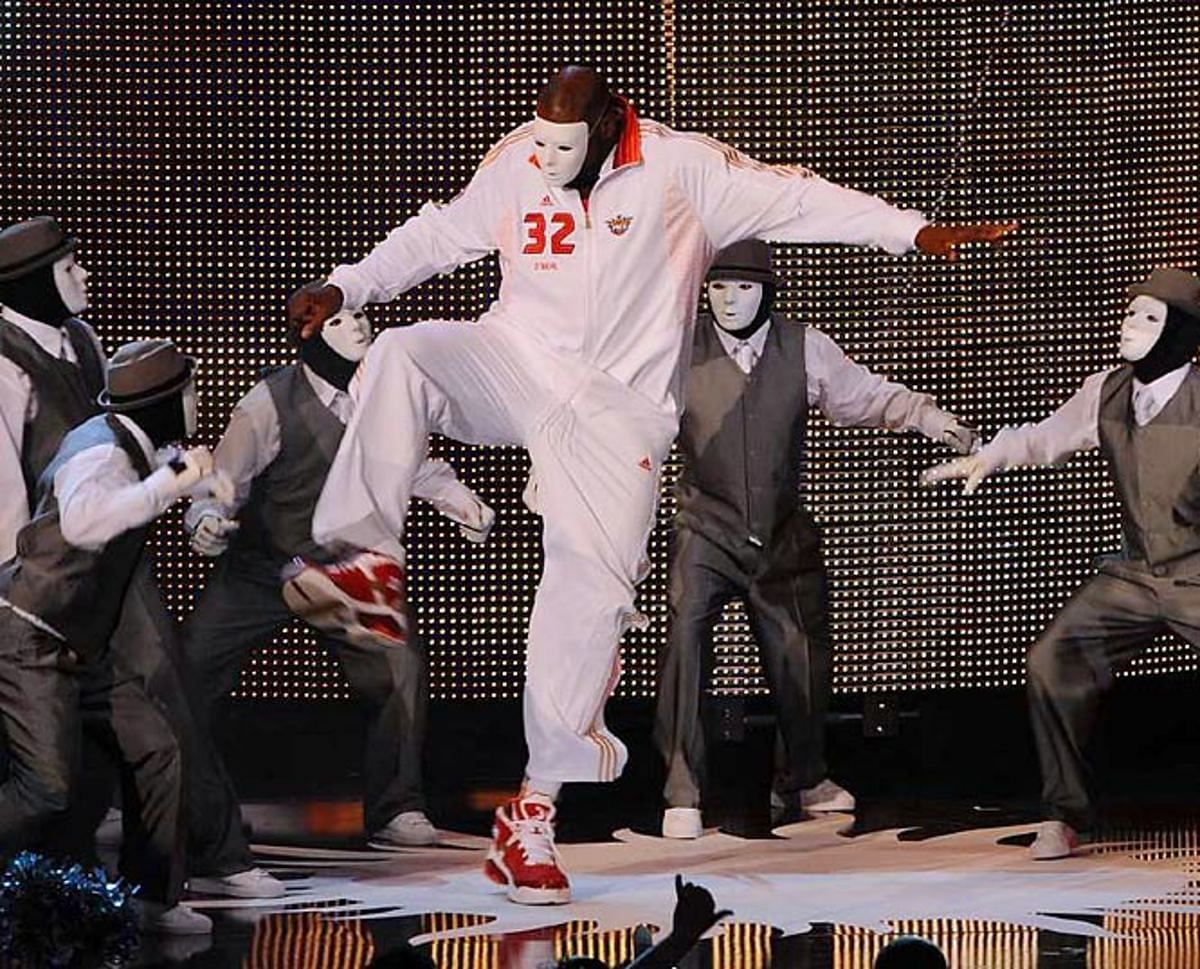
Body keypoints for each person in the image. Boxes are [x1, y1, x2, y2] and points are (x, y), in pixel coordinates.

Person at [282, 65, 1016, 904]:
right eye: (538, 138)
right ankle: (365, 561)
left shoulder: (681, 168)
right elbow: (440, 234)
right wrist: (350, 283)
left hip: (617, 415)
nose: (545, 155)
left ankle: (532, 814)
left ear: (604, 130)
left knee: (586, 597)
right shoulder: (518, 159)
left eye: (563, 142)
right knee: (402, 354)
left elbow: (799, 198)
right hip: (518, 361)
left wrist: (913, 230)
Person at [655, 240, 978, 839]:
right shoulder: (678, 349)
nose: (729, 300)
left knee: (799, 655)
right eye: (719, 288)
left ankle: (803, 776)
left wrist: (930, 417)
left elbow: (868, 395)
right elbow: (632, 419)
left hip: (781, 534)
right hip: (704, 528)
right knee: (685, 636)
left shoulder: (804, 346)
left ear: (768, 293)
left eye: (744, 288)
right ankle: (683, 787)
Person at [0, 218, 281, 901]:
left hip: (111, 551)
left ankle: (190, 862)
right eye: (70, 267)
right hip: (51, 566)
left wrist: (189, 495)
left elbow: (144, 437)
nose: (85, 276)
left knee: (163, 698)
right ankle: (149, 864)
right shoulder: (6, 359)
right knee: (90, 733)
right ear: (35, 280)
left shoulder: (81, 339)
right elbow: (5, 483)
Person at [182, 308, 493, 853]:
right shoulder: (269, 402)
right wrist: (206, 519)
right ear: (311, 334)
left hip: (345, 572)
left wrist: (459, 500)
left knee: (400, 670)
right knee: (188, 671)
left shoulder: (386, 394)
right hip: (264, 568)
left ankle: (396, 808)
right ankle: (161, 799)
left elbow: (416, 464)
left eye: (361, 316)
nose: (359, 327)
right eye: (341, 320)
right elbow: (224, 478)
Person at [922, 266, 1200, 860]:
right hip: (1132, 572)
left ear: (1179, 333)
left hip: (1196, 572)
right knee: (1054, 658)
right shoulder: (1108, 389)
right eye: (1130, 312)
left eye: (1149, 317)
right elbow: (1047, 437)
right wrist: (990, 457)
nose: (1129, 325)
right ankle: (1064, 813)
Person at [0, 339, 227, 934]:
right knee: (47, 790)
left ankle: (152, 896)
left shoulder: (142, 443)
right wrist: (170, 488)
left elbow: (189, 475)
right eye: (191, 391)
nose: (197, 401)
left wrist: (201, 507)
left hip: (82, 643)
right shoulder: (99, 452)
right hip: (31, 635)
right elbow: (84, 522)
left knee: (157, 747)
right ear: (163, 400)